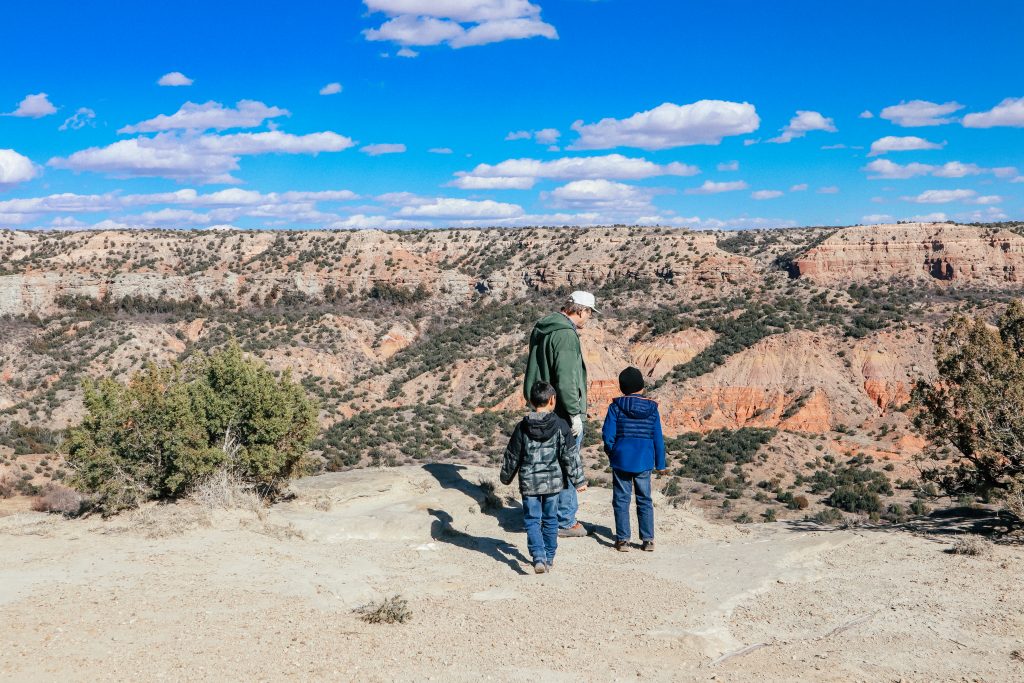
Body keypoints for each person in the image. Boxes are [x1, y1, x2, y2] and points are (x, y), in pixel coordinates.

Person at [523, 291, 595, 538]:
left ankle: (544, 516)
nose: (588, 319)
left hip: (543, 403)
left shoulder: (545, 327)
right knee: (566, 462)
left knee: (545, 461)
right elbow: (566, 378)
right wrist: (574, 413)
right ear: (581, 310)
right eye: (589, 314)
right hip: (562, 409)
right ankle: (564, 520)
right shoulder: (565, 334)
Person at [500, 381, 587, 574]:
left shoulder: (522, 427)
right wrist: (579, 481)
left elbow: (512, 455)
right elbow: (570, 455)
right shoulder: (561, 425)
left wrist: (506, 478)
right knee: (550, 519)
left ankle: (538, 556)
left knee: (532, 519)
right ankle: (549, 557)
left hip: (529, 483)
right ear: (553, 400)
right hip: (553, 483)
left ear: (531, 401)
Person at [601, 366, 666, 552]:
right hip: (644, 460)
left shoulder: (615, 407)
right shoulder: (652, 409)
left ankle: (623, 540)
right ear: (642, 387)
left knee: (621, 499)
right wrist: (660, 463)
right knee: (644, 498)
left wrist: (612, 452)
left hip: (621, 458)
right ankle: (648, 540)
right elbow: (658, 438)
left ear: (622, 388)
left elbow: (607, 435)